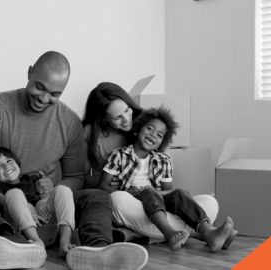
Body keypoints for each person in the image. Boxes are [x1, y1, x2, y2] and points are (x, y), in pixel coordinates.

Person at [0, 52, 148, 270]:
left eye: (54, 94)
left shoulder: (69, 122)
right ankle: (6, 240)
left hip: (48, 209)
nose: (44, 98)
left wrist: (55, 188)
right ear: (30, 72)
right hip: (0, 203)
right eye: (39, 87)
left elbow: (75, 177)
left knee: (98, 196)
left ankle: (97, 252)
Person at [82, 82, 236, 249]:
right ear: (103, 118)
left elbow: (167, 188)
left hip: (157, 202)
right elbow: (94, 183)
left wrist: (177, 194)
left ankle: (134, 234)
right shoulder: (116, 152)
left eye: (127, 110)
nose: (127, 120)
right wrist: (121, 189)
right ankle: (195, 234)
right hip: (128, 202)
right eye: (118, 117)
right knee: (119, 199)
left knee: (209, 202)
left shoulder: (156, 138)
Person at [0, 146, 76, 257]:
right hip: (22, 233)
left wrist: (44, 199)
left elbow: (48, 198)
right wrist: (29, 210)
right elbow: (1, 201)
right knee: (14, 193)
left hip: (45, 226)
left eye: (9, 161)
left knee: (62, 189)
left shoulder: (31, 179)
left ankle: (65, 242)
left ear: (17, 164)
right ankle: (36, 242)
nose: (6, 165)